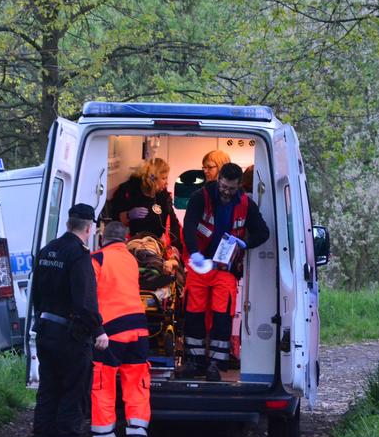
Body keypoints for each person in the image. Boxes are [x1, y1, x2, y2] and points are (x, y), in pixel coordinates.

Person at [30, 203, 110, 437]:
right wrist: (98, 330)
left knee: (48, 391)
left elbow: (36, 294)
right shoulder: (79, 256)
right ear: (89, 227)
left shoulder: (46, 251)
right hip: (70, 336)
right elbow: (85, 301)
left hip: (45, 331)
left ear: (68, 223)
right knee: (72, 393)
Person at [181, 162, 270, 381]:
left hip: (225, 269)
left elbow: (263, 233)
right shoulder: (200, 197)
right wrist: (194, 253)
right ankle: (195, 361)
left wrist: (244, 243)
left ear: (239, 185)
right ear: (218, 180)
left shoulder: (246, 204)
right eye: (223, 186)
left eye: (231, 188)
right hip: (201, 265)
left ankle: (216, 365)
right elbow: (189, 225)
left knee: (222, 317)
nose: (226, 192)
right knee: (194, 314)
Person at [90, 221, 151, 437]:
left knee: (103, 384)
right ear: (125, 239)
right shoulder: (131, 260)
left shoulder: (97, 259)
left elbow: (90, 295)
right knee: (137, 383)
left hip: (110, 331)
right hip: (139, 329)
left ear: (102, 238)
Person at [108, 157, 181, 251]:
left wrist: (176, 250)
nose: (167, 182)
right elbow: (115, 218)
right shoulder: (129, 191)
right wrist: (128, 215)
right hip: (133, 243)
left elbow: (173, 223)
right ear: (153, 179)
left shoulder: (163, 197)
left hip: (155, 245)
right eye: (163, 178)